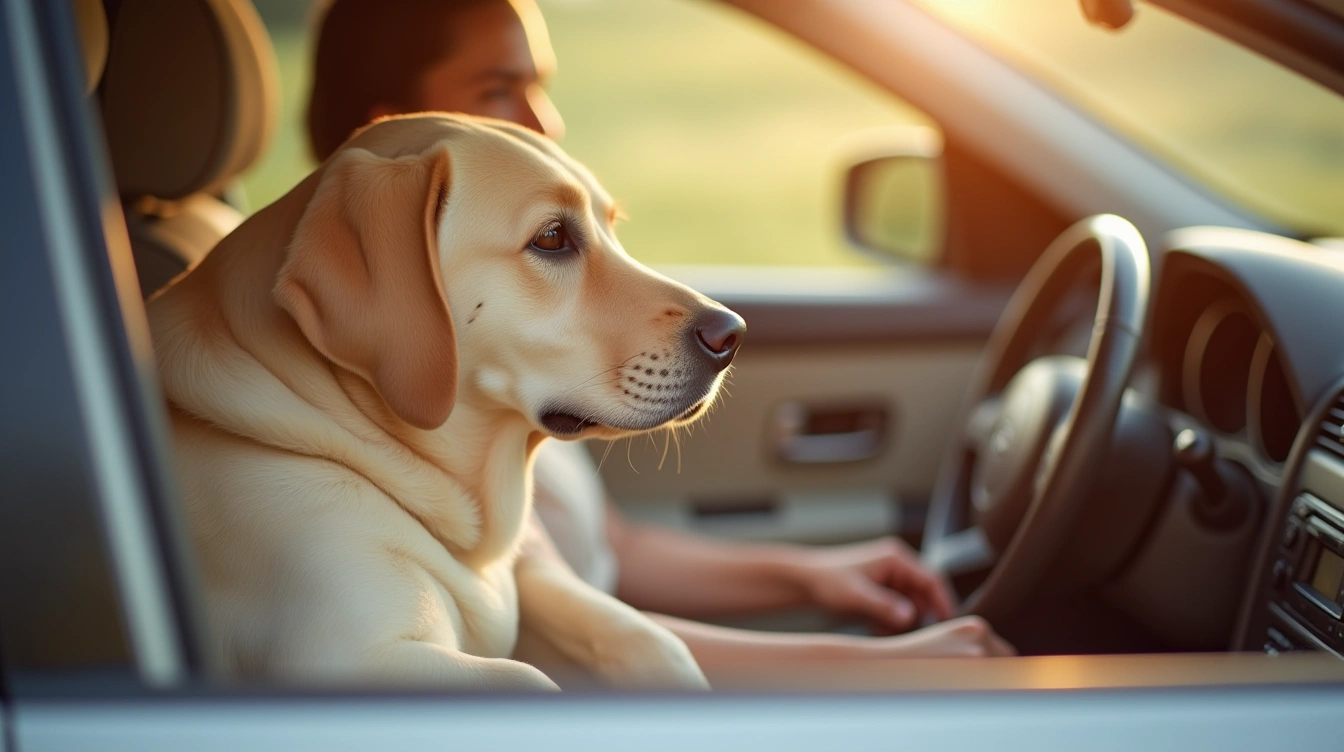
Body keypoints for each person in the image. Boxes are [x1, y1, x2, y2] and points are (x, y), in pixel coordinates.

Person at [306, 0, 1013, 680]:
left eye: (540, 88)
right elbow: (585, 648)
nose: (544, 126)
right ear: (398, 130)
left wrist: (817, 576)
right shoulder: (425, 387)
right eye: (500, 90)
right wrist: (893, 668)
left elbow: (613, 549)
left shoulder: (501, 346)